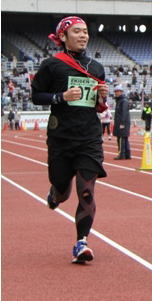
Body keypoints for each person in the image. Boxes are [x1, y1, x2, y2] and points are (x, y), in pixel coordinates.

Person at [31, 16, 109, 264]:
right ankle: (55, 193)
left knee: (86, 192)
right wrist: (61, 96)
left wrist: (101, 99)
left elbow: (97, 106)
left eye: (85, 32)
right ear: (63, 37)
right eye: (77, 32)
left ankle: (81, 242)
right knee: (63, 190)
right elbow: (36, 96)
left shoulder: (96, 68)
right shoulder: (51, 65)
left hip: (89, 138)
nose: (83, 36)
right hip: (61, 138)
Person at [113, 85, 131, 160]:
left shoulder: (123, 101)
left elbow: (124, 113)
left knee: (121, 139)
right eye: (115, 91)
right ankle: (127, 154)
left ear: (121, 92)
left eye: (117, 91)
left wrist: (122, 123)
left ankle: (121, 154)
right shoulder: (120, 100)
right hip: (121, 122)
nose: (116, 93)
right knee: (124, 138)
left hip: (122, 123)